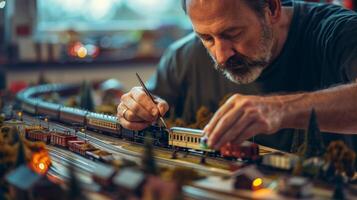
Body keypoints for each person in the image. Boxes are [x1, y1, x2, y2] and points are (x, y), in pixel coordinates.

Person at [117, 0, 357, 152]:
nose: (221, 57)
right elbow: (148, 101)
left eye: (233, 33)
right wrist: (134, 107)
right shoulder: (183, 56)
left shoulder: (340, 33)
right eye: (206, 38)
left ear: (272, 8)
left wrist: (280, 109)